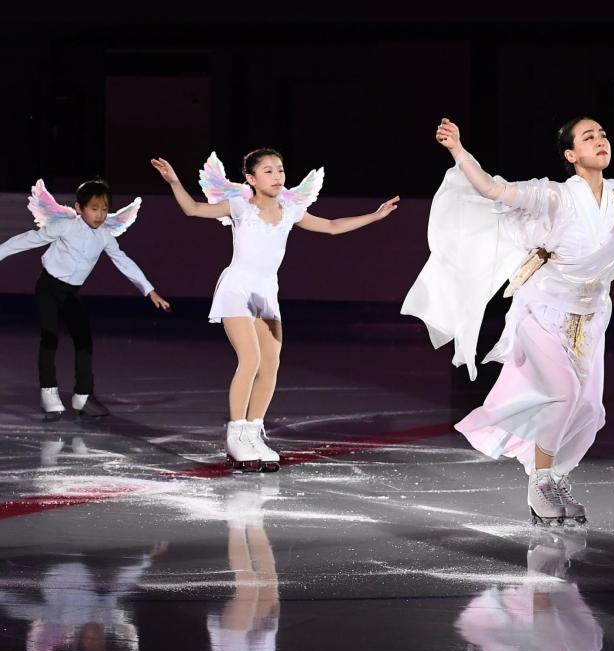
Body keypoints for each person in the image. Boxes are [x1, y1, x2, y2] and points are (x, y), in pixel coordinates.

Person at [402, 117, 614, 525]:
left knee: (588, 409)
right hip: (542, 310)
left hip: (591, 318)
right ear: (572, 155)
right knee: (562, 393)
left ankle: (555, 477)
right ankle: (539, 483)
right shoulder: (553, 197)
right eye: (589, 137)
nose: (601, 140)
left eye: (604, 134)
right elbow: (491, 188)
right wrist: (457, 149)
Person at [151, 149, 400, 471]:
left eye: (280, 170)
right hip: (237, 288)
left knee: (270, 364)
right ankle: (235, 434)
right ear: (251, 180)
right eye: (267, 171)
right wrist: (174, 182)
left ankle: (254, 433)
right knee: (250, 359)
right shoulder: (240, 206)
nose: (277, 176)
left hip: (267, 291)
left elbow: (332, 226)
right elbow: (193, 209)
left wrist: (374, 215)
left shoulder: (291, 211)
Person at [0, 179, 170, 418]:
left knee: (84, 340)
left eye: (104, 209)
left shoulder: (104, 237)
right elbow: (28, 239)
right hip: (48, 288)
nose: (100, 215)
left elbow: (123, 261)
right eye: (94, 208)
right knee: (50, 338)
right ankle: (49, 395)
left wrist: (148, 289)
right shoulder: (65, 227)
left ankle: (83, 397)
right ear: (79, 208)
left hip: (71, 293)